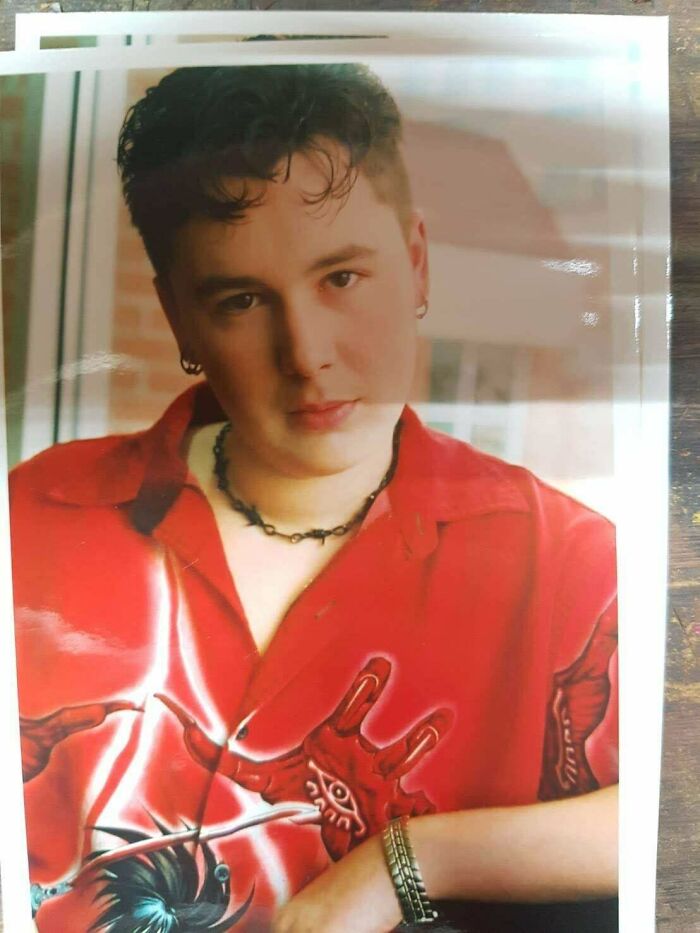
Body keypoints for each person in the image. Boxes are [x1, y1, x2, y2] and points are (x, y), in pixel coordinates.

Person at [11, 64, 618, 933]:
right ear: (180, 318)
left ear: (414, 265)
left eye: (342, 278)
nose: (307, 353)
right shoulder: (30, 521)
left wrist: (405, 863)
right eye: (242, 299)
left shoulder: (566, 564)